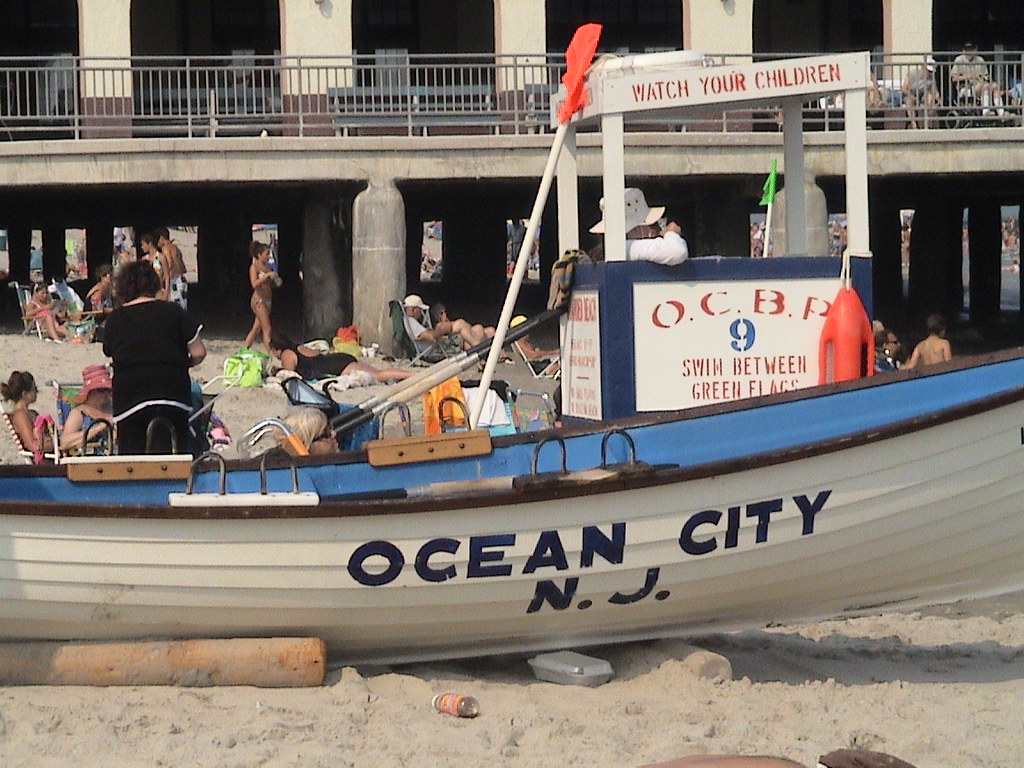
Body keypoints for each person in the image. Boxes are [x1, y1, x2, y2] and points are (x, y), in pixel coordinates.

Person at [102, 259, 207, 454]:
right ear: (154, 284)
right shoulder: (175, 312)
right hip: (171, 390)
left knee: (133, 461)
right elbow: (199, 352)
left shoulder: (116, 319)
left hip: (130, 395)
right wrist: (182, 363)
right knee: (174, 456)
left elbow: (109, 350)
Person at [589, 187, 689, 266]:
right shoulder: (629, 247)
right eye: (651, 224)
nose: (655, 228)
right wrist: (672, 233)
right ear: (636, 228)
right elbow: (678, 252)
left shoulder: (610, 250)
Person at [270, 333, 413, 383]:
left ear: (277, 348)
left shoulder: (286, 354)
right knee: (378, 372)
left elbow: (288, 374)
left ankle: (413, 375)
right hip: (337, 359)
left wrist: (276, 372)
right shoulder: (299, 346)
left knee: (378, 375)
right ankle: (410, 374)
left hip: (337, 366)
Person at [402, 294, 497, 351]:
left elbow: (425, 335)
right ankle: (479, 350)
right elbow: (431, 336)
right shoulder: (411, 321)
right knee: (464, 325)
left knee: (478, 329)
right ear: (414, 310)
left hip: (438, 345)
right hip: (435, 349)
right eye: (420, 310)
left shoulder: (409, 321)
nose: (421, 313)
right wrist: (444, 328)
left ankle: (478, 350)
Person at [60, 363, 114, 453]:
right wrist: (100, 428)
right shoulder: (79, 413)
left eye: (108, 390)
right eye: (101, 390)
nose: (106, 394)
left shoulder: (114, 411)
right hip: (88, 461)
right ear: (90, 392)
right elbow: (65, 443)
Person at [1, 370, 53, 455]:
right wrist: (55, 444)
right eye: (34, 389)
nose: (37, 391)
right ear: (24, 394)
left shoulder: (31, 413)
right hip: (46, 461)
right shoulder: (20, 416)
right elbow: (32, 446)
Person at [243, 241, 280, 351]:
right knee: (267, 329)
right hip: (259, 301)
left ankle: (244, 349)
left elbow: (269, 285)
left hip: (268, 300)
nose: (269, 256)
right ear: (259, 255)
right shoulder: (254, 267)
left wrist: (275, 281)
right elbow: (254, 284)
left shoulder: (267, 267)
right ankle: (271, 353)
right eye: (266, 254)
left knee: (256, 329)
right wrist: (266, 276)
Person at [951, 41, 1003, 116]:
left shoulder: (980, 60)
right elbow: (954, 78)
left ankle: (1001, 113)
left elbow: (986, 76)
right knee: (985, 86)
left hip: (980, 85)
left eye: (971, 49)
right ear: (963, 50)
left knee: (994, 85)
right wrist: (969, 76)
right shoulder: (959, 60)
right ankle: (985, 112)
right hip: (965, 89)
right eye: (967, 49)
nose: (969, 51)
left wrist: (981, 79)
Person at [901, 56, 940, 128]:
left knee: (930, 97)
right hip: (910, 94)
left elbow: (935, 91)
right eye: (928, 71)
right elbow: (904, 89)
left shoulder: (931, 78)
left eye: (931, 72)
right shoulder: (912, 73)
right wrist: (912, 96)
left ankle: (927, 124)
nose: (929, 73)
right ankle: (914, 125)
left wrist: (938, 99)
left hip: (922, 96)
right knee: (910, 101)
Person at [157, 226, 189, 309]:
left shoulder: (165, 248)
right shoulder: (175, 248)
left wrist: (163, 277)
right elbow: (182, 266)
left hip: (174, 280)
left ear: (161, 237)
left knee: (174, 306)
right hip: (181, 278)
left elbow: (169, 263)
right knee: (183, 305)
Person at [138, 231, 169, 301]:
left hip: (158, 290)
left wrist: (166, 292)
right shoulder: (144, 259)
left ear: (150, 244)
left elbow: (167, 275)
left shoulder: (161, 257)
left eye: (143, 244)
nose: (142, 247)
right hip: (146, 291)